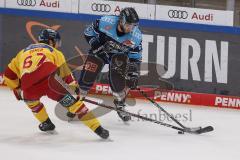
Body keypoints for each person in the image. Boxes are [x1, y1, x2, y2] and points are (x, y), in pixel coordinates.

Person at [3, 28, 109, 139]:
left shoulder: (22, 52)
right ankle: (98, 129)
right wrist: (74, 89)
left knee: (32, 104)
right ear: (50, 41)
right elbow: (66, 75)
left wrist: (16, 88)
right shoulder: (54, 52)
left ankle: (46, 123)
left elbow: (8, 74)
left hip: (29, 87)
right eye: (56, 42)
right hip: (50, 83)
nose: (57, 45)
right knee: (76, 106)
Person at [75, 7, 142, 122]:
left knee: (119, 81)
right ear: (121, 20)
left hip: (118, 56)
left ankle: (120, 103)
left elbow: (135, 57)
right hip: (100, 52)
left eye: (133, 25)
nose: (131, 28)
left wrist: (133, 74)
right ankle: (77, 103)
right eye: (128, 24)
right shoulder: (106, 21)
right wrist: (96, 45)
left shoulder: (136, 36)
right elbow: (88, 32)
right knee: (87, 77)